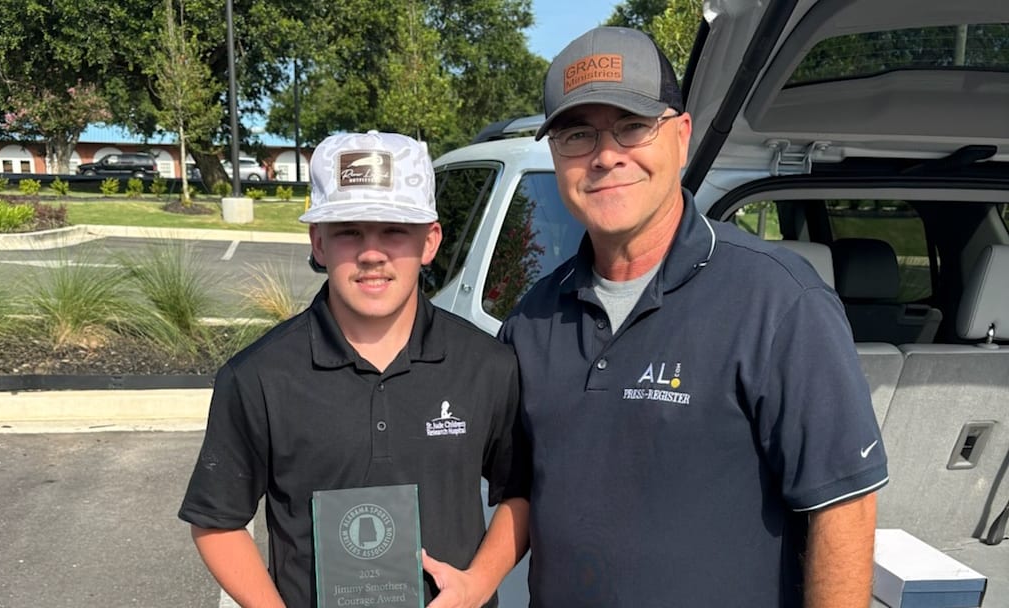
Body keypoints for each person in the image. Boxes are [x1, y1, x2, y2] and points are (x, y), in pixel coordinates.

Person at [497, 27, 889, 607]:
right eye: (577, 134)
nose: (606, 155)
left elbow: (844, 510)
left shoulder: (779, 302)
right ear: (556, 155)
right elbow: (523, 493)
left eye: (632, 126)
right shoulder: (532, 318)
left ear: (681, 137)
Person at [180, 131, 529, 608]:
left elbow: (521, 493)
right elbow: (217, 521)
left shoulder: (487, 365)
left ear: (430, 241)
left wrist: (478, 585)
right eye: (349, 231)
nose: (371, 253)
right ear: (318, 243)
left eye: (394, 230)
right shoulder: (258, 377)